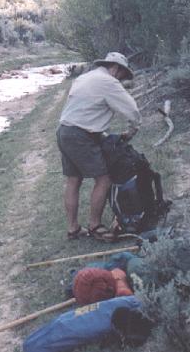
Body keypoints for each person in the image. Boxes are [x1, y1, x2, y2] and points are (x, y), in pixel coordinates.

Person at [56, 52, 141, 241]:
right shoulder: (108, 82)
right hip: (80, 135)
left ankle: (73, 229)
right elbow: (132, 110)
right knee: (103, 179)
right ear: (116, 68)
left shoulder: (85, 77)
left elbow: (85, 109)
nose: (121, 79)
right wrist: (132, 130)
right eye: (122, 75)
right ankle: (95, 226)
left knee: (73, 180)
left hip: (64, 130)